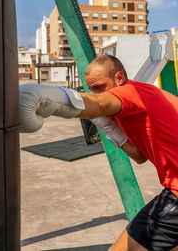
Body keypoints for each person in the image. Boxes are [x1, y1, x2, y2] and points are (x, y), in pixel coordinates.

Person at [19, 54, 178, 251]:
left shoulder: (130, 93)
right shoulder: (136, 103)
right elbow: (140, 156)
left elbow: (98, 103)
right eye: (91, 89)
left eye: (100, 87)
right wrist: (109, 129)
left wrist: (49, 98)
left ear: (119, 78)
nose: (96, 93)